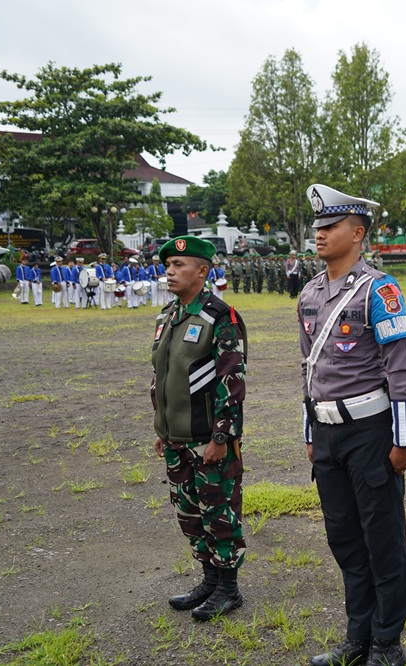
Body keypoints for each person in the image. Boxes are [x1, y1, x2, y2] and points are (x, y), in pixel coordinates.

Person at [299, 184, 406, 666]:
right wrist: (311, 432)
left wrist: (404, 439)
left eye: (330, 227)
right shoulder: (309, 292)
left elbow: (401, 368)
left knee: (382, 540)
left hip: (371, 433)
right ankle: (358, 638)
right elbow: (307, 367)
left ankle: (386, 643)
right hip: (327, 435)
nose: (320, 235)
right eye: (318, 228)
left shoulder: (380, 289)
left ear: (358, 232)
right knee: (344, 539)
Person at [150, 236, 248, 622]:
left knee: (219, 512)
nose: (170, 272)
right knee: (189, 513)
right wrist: (162, 427)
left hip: (209, 439)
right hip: (176, 438)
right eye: (168, 265)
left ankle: (229, 589)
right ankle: (209, 579)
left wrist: (222, 437)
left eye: (179, 265)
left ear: (203, 271)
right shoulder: (168, 317)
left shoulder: (219, 317)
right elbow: (162, 376)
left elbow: (232, 381)